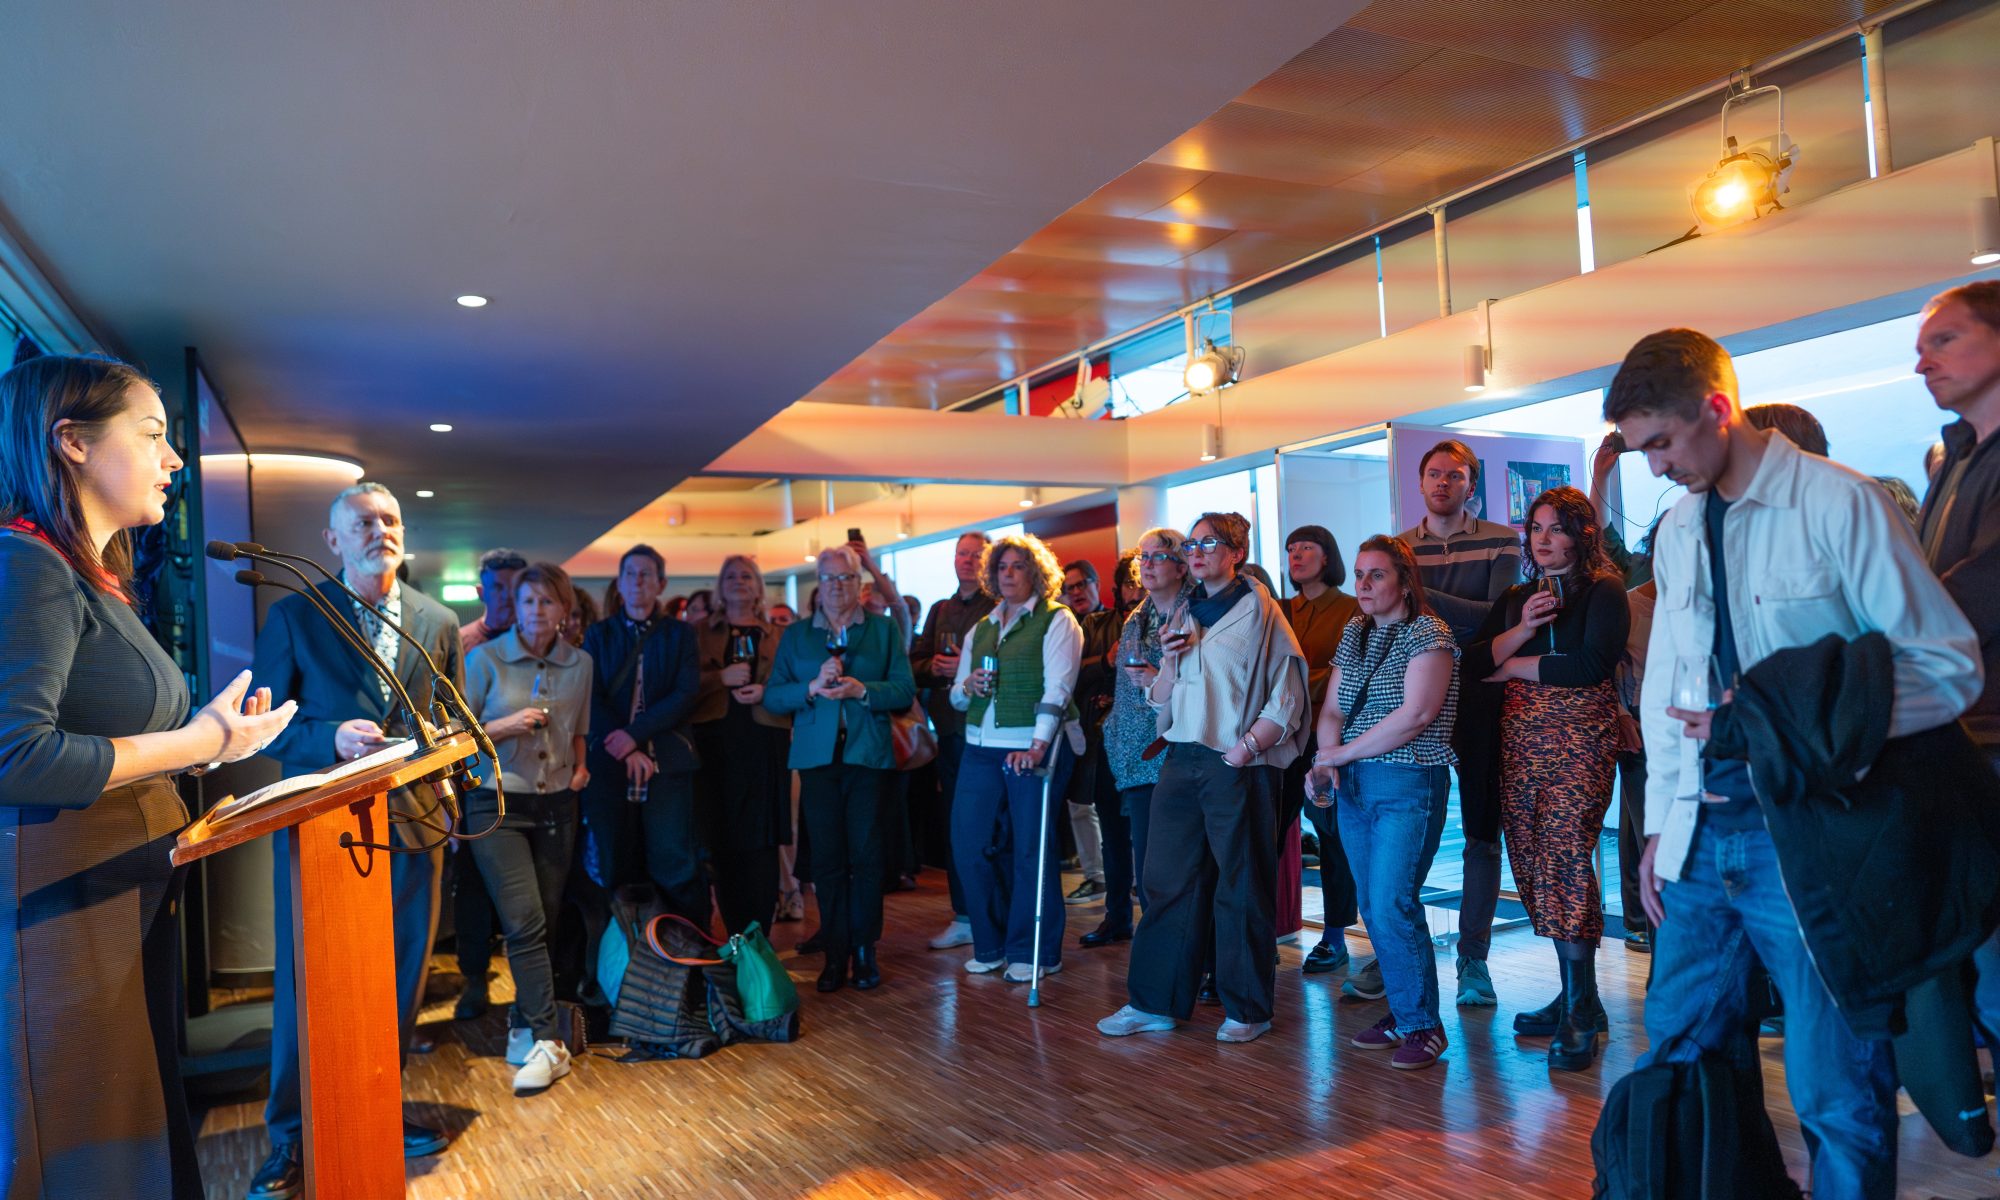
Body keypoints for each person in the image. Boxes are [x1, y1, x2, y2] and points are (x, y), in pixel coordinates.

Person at [1612, 327, 1979, 1199]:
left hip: (1814, 840)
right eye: (1640, 451)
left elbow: (1948, 668)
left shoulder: (1840, 502)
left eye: (1662, 442)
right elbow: (1668, 684)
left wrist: (1799, 720)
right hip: (1700, 840)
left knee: (1835, 1091)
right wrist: (1661, 826)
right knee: (1678, 1065)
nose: (1656, 467)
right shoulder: (1678, 527)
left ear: (1717, 408)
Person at [0, 355, 295, 1200]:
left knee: (134, 1139)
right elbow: (15, 755)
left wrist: (214, 745)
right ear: (72, 443)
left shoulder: (92, 578)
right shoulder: (27, 566)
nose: (173, 460)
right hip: (60, 917)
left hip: (115, 898)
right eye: (153, 435)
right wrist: (194, 740)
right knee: (87, 1152)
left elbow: (114, 738)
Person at [248, 481, 464, 1198]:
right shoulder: (295, 614)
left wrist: (447, 770)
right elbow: (266, 727)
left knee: (399, 979)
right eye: (364, 522)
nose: (381, 531)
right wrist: (330, 738)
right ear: (334, 541)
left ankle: (378, 1107)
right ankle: (290, 1136)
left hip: (415, 824)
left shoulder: (438, 621)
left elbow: (451, 718)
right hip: (324, 826)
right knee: (308, 984)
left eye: (390, 519)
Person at [1098, 513, 1309, 1045]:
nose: (1196, 551)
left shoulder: (1261, 611)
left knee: (1241, 884)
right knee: (1165, 881)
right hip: (1181, 755)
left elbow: (1287, 694)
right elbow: (1162, 699)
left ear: (1236, 552)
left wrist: (1245, 749)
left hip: (1238, 761)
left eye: (1208, 542)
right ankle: (1155, 1002)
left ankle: (1248, 1008)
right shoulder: (1185, 610)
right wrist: (1168, 664)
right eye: (1191, 544)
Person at [1462, 487, 1629, 1071]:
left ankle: (1580, 1012)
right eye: (1535, 528)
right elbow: (1473, 665)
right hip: (1521, 742)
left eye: (1556, 528)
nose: (1543, 538)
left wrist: (1512, 667)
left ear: (1582, 534)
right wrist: (1520, 632)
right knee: (1533, 859)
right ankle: (1577, 998)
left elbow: (1589, 666)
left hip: (1580, 736)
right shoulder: (1517, 598)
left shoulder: (1604, 590)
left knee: (1565, 854)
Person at [1309, 535, 1460, 1071]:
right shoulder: (1356, 631)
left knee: (1394, 901)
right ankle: (1404, 1012)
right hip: (1353, 783)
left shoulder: (1430, 633)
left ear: (1405, 581)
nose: (1364, 585)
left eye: (1377, 574)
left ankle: (1424, 1026)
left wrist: (1340, 753)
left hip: (1407, 780)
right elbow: (1332, 708)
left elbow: (1416, 715)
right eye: (1359, 574)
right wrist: (1327, 758)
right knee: (1373, 906)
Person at [460, 563, 592, 1094]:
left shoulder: (580, 664)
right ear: (516, 607)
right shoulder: (484, 659)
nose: (538, 610)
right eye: (529, 601)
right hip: (496, 804)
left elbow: (579, 729)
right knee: (523, 920)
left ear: (564, 610)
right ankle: (548, 1040)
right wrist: (506, 726)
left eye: (548, 601)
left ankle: (524, 1021)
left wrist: (581, 767)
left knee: (547, 920)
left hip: (558, 804)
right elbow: (455, 735)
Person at [1399, 438, 1518, 1009]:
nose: (1443, 482)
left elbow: (1498, 620)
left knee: (1480, 832)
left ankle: (1473, 957)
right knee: (1408, 829)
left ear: (1472, 484)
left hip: (1480, 694)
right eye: (1434, 474)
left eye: (1455, 474)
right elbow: (1397, 621)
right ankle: (1399, 948)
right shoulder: (1400, 546)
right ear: (1420, 481)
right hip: (1414, 692)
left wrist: (1420, 595)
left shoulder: (1501, 538)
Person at [763, 545, 915, 992]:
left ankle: (865, 950)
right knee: (827, 860)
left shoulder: (882, 630)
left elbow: (904, 690)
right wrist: (811, 687)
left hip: (867, 756)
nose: (836, 586)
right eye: (828, 578)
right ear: (819, 585)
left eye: (845, 578)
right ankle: (835, 952)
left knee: (866, 857)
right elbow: (774, 696)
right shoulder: (797, 636)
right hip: (817, 760)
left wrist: (862, 690)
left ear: (858, 582)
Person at [1914, 280, 2000, 1045]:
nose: (1924, 364)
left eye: (1944, 341)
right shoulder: (1957, 458)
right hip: (1961, 730)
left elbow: (1981, 587)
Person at [948, 534, 1084, 983]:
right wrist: (966, 686)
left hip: (1030, 746)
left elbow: (1058, 689)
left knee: (1030, 850)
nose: (1007, 574)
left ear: (1036, 573)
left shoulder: (1057, 619)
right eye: (1001, 567)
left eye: (1018, 566)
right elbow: (956, 696)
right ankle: (991, 944)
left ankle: (1035, 952)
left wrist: (1038, 745)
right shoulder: (982, 627)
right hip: (978, 746)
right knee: (970, 846)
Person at [578, 546, 705, 925]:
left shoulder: (680, 634)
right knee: (614, 859)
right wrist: (625, 745)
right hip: (610, 759)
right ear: (619, 583)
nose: (638, 581)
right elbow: (590, 694)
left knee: (674, 858)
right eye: (630, 574)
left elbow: (685, 693)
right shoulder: (599, 634)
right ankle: (621, 950)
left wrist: (634, 735)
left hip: (668, 758)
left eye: (646, 574)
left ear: (661, 584)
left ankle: (685, 947)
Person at [1097, 529, 1192, 936]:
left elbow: (1209, 687)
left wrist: (1160, 680)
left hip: (1183, 752)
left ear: (1182, 566)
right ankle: (1159, 956)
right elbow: (1124, 691)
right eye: (1144, 557)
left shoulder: (1197, 614)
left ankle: (1188, 955)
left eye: (1159, 556)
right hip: (1137, 756)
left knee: (1180, 866)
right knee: (1148, 867)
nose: (1147, 565)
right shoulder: (1136, 618)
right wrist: (1116, 736)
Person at [692, 554, 791, 935]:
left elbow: (791, 683)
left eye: (747, 576)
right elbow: (681, 685)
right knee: (722, 839)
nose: (739, 581)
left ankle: (759, 937)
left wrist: (766, 691)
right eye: (731, 575)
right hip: (715, 744)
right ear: (720, 585)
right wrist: (720, 678)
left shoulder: (778, 634)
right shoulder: (699, 632)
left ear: (759, 586)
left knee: (762, 842)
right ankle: (734, 935)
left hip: (765, 742)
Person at [1279, 525, 1361, 976]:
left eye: (1306, 547)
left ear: (1327, 556)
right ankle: (1262, 931)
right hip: (1277, 736)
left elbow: (1345, 674)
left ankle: (1334, 936)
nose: (1296, 555)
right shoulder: (1279, 609)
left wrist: (1290, 684)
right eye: (1291, 548)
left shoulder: (1350, 608)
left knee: (1332, 837)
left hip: (1327, 736)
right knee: (1270, 832)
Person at [909, 531, 995, 950]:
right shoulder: (940, 609)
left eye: (977, 554)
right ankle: (964, 914)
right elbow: (915, 663)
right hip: (948, 731)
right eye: (962, 553)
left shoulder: (997, 606)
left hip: (986, 730)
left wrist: (965, 666)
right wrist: (935, 668)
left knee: (990, 826)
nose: (968, 560)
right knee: (956, 825)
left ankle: (991, 915)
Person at [1058, 558, 1114, 907]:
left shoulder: (1116, 621)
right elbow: (1066, 675)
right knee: (1078, 805)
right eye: (1070, 588)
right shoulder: (1061, 626)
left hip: (1106, 723)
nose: (1076, 592)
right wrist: (1101, 664)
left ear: (1096, 584)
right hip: (1071, 724)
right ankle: (1095, 875)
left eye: (1082, 584)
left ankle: (1124, 878)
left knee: (1113, 808)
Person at [460, 547, 527, 654]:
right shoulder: (459, 642)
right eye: (498, 588)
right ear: (481, 592)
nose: (507, 595)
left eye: (514, 587)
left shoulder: (537, 641)